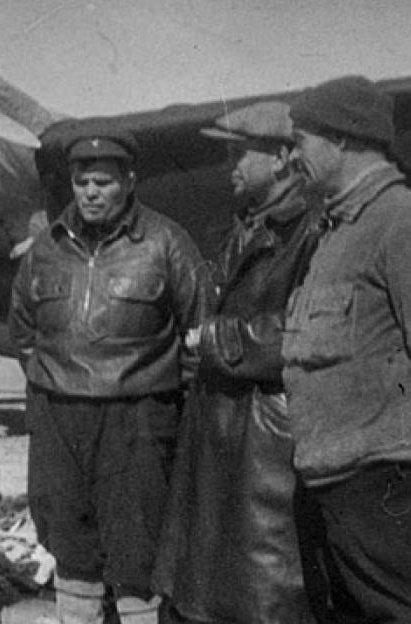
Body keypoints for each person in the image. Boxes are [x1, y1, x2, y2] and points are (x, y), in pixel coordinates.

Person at [281, 76, 411, 623]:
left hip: (384, 482)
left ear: (344, 140)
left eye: (300, 139)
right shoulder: (338, 234)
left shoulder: (405, 223)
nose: (291, 155)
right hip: (340, 483)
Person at [8, 130, 205, 624]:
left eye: (102, 182)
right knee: (71, 547)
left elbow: (198, 337)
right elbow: (23, 329)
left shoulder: (166, 243)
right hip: (60, 417)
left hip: (137, 420)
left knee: (138, 550)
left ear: (129, 181)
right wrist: (51, 384)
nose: (91, 193)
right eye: (81, 182)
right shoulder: (47, 247)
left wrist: (159, 394)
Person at [153, 102, 321, 623]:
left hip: (265, 456)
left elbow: (306, 332)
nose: (229, 165)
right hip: (225, 443)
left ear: (281, 159)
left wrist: (214, 339)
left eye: (239, 153)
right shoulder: (243, 229)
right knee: (204, 598)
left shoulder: (315, 232)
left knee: (262, 602)